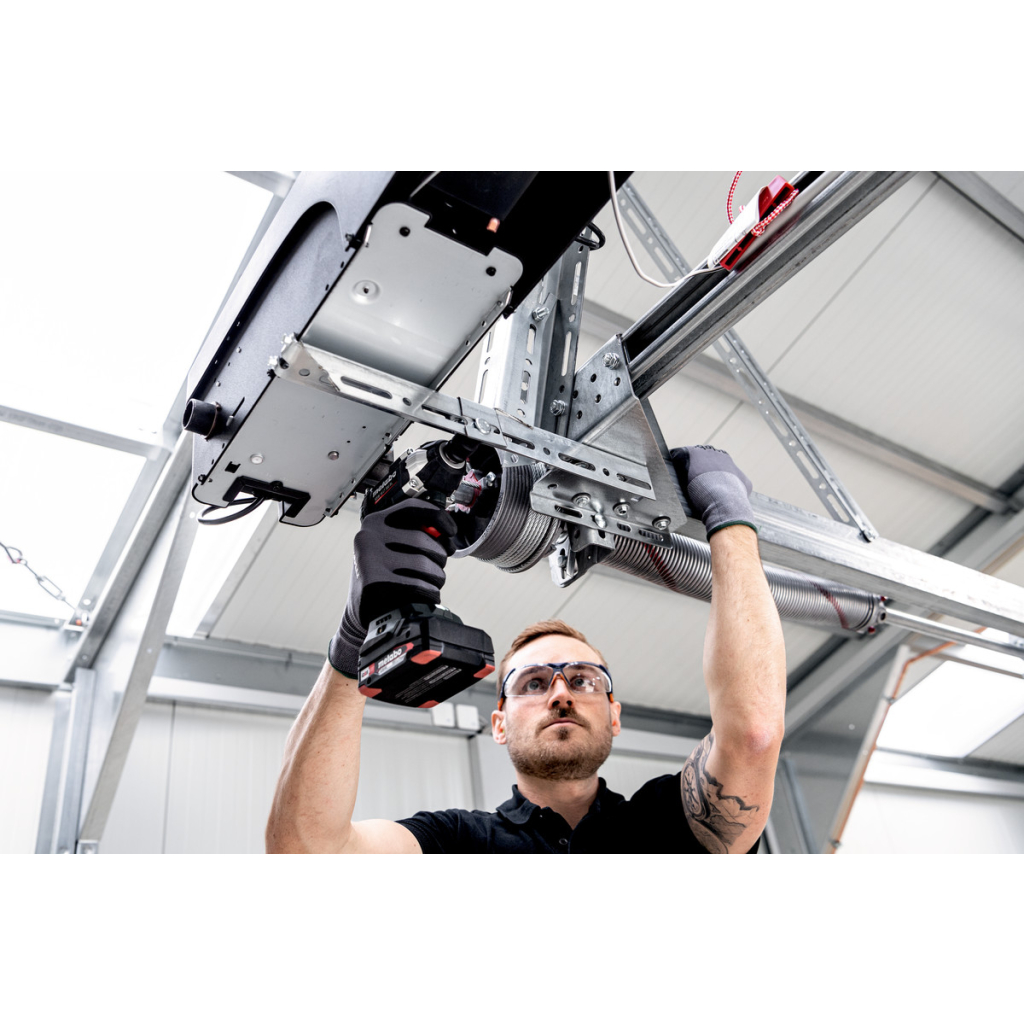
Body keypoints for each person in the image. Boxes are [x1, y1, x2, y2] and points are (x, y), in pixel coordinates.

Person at [265, 445, 787, 854]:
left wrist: (729, 517)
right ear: (498, 724)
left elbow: (754, 735)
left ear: (614, 714)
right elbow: (306, 855)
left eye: (583, 679)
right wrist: (354, 642)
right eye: (533, 682)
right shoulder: (456, 844)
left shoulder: (666, 826)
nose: (561, 693)